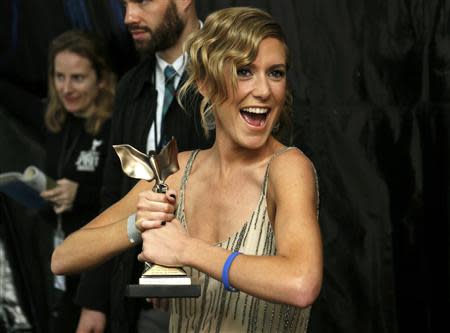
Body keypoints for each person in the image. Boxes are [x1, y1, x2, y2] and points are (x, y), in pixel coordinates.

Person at [52, 6, 322, 332]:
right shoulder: (178, 171)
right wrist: (136, 225)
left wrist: (187, 250)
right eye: (244, 71)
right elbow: (63, 258)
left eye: (275, 73)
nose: (264, 90)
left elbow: (301, 283)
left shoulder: (287, 168)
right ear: (206, 84)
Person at [73, 1, 210, 332]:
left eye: (143, 1)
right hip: (135, 297)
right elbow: (112, 196)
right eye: (124, 4)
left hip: (211, 297)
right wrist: (95, 299)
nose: (128, 17)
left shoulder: (231, 73)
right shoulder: (131, 86)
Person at [39, 30, 116, 333]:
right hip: (62, 265)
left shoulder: (115, 127)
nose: (66, 88)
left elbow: (124, 201)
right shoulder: (57, 123)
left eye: (78, 78)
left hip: (98, 270)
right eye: (60, 77)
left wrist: (80, 194)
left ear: (100, 79)